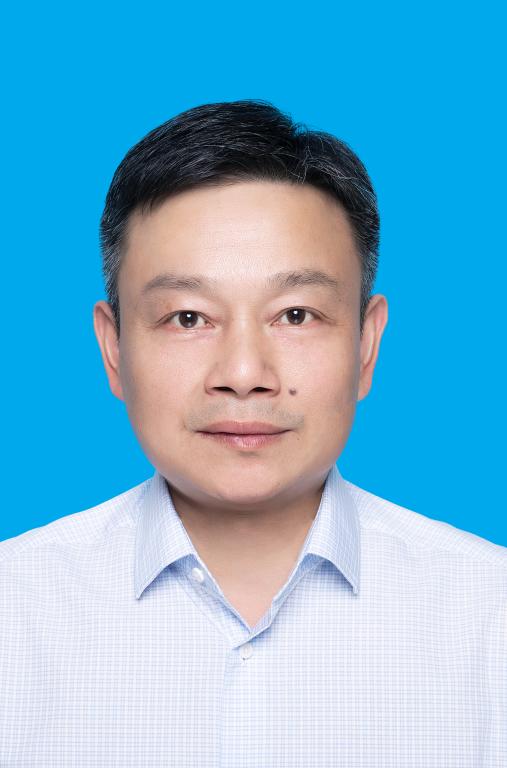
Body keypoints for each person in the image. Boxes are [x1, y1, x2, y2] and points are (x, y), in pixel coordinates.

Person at [0, 99, 505, 766]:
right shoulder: (14, 614)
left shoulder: (488, 619)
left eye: (295, 315)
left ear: (366, 344)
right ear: (113, 348)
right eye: (187, 318)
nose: (243, 375)